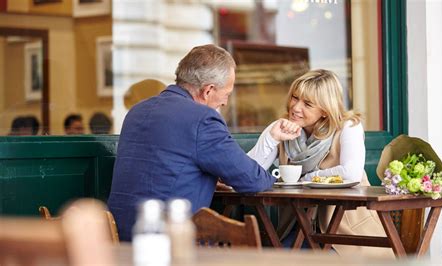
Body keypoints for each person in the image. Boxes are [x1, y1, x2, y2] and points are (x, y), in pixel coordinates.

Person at [107, 44, 279, 241]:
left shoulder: (136, 112)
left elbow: (162, 169)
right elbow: (252, 180)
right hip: (170, 244)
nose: (224, 102)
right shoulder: (202, 118)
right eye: (227, 94)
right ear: (208, 91)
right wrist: (277, 178)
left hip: (119, 240)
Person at [248, 69, 394, 258]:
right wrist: (272, 138)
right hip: (299, 228)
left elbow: (351, 173)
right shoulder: (281, 127)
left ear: (325, 110)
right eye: (294, 97)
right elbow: (247, 171)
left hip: (346, 235)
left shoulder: (348, 127)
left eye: (307, 104)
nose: (296, 107)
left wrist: (306, 180)